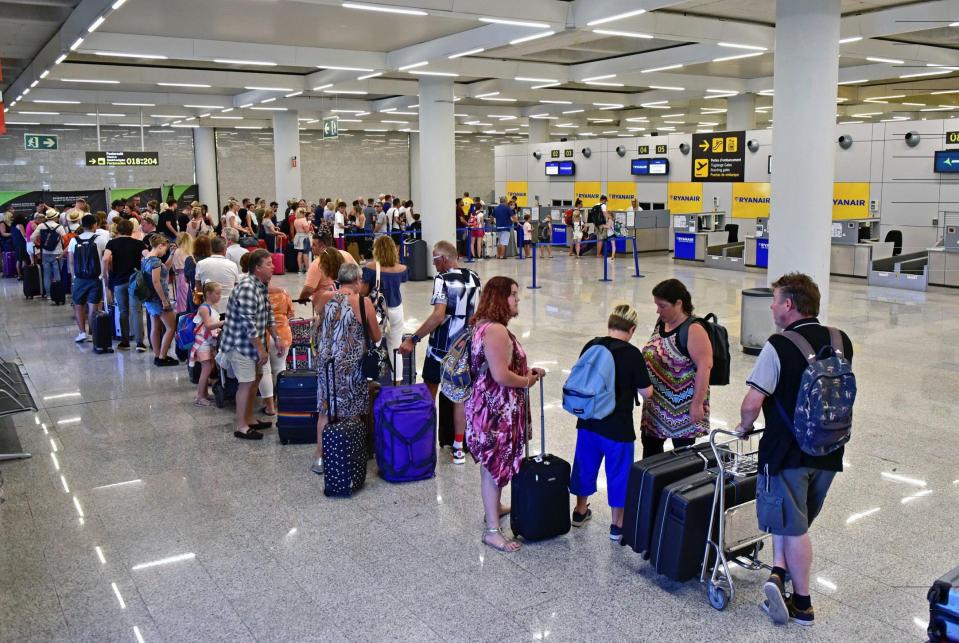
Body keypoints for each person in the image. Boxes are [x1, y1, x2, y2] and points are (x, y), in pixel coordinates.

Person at [735, 273, 853, 628]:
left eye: (775, 299)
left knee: (794, 527)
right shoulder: (840, 339)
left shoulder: (778, 345)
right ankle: (777, 573)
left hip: (787, 452)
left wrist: (743, 427)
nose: (771, 306)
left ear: (789, 305)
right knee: (793, 522)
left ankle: (802, 603)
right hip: (830, 449)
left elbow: (752, 402)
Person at [465, 276, 544, 552]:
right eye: (512, 294)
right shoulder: (496, 331)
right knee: (492, 466)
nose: (517, 299)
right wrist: (527, 381)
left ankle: (494, 507)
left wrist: (525, 373)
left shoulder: (483, 326)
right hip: (494, 414)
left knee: (492, 465)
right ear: (500, 298)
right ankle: (491, 530)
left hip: (490, 408)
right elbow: (500, 375)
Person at [568, 305, 654, 541]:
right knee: (618, 474)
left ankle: (580, 511)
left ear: (610, 324)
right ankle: (617, 525)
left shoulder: (592, 345)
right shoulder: (632, 354)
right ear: (632, 329)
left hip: (588, 422)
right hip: (618, 429)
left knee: (585, 466)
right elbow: (646, 393)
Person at [398, 241, 481, 464]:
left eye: (434, 260)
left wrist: (413, 339)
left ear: (444, 259)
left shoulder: (442, 280)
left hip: (440, 350)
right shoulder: (474, 277)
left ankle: (423, 443)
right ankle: (458, 447)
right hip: (465, 349)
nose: (433, 265)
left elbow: (437, 316)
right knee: (460, 397)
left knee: (429, 393)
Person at [310, 262, 381, 474]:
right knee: (352, 411)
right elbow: (376, 336)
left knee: (325, 409)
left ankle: (320, 458)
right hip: (350, 367)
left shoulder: (322, 297)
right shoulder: (362, 302)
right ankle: (350, 455)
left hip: (325, 363)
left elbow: (319, 324)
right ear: (358, 280)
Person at [217, 249, 285, 440]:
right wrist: (261, 349)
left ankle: (249, 418)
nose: (273, 267)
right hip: (242, 345)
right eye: (269, 264)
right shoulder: (247, 287)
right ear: (257, 268)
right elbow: (248, 323)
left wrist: (276, 338)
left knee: (255, 379)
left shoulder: (261, 284)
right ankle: (241, 425)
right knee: (246, 384)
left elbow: (268, 313)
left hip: (253, 344)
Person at [640, 279, 712, 457]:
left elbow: (705, 366)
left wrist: (697, 404)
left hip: (683, 409)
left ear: (679, 303)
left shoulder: (693, 329)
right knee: (650, 451)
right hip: (656, 406)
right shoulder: (661, 322)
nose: (658, 310)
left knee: (682, 456)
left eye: (662, 306)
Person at [103, 219, 148, 350]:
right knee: (137, 311)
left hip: (118, 280)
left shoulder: (111, 243)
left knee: (123, 311)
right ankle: (140, 342)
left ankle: (125, 341)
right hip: (135, 281)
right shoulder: (139, 243)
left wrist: (105, 274)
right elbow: (148, 256)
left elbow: (106, 258)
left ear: (118, 230)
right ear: (131, 230)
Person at [361, 236, 408, 353]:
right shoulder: (402, 269)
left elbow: (362, 292)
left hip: (376, 310)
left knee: (373, 345)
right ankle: (396, 371)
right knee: (396, 348)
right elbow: (403, 280)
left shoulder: (370, 267)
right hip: (396, 309)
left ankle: (374, 369)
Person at [68, 214, 109, 342]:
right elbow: (105, 259)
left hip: (79, 278)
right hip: (95, 278)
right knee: (93, 306)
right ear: (94, 225)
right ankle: (93, 333)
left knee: (78, 305)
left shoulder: (74, 240)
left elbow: (71, 261)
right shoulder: (101, 240)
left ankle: (82, 332)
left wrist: (74, 276)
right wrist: (104, 275)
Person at [257, 283, 294, 416]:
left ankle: (269, 407)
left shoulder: (254, 293)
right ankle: (281, 401)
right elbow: (291, 313)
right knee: (280, 368)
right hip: (282, 333)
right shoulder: (283, 291)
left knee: (264, 369)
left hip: (262, 334)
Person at [141, 236, 178, 366]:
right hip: (159, 298)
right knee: (171, 327)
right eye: (165, 250)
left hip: (149, 298)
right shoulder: (155, 261)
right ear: (160, 245)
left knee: (155, 327)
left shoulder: (146, 259)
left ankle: (157, 355)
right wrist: (164, 300)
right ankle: (162, 356)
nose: (164, 252)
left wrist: (172, 254)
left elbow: (165, 268)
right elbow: (156, 281)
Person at [190, 282, 224, 407]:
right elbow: (209, 326)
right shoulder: (204, 308)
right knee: (206, 369)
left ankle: (204, 394)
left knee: (208, 368)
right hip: (202, 344)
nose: (219, 296)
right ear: (208, 294)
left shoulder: (210, 308)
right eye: (217, 293)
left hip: (207, 343)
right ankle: (199, 396)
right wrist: (223, 322)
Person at [298, 233, 355, 304]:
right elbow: (358, 276)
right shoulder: (346, 254)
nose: (311, 247)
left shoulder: (317, 264)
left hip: (327, 305)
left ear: (322, 247)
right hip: (349, 301)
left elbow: (308, 290)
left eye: (314, 245)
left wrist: (302, 299)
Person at [195, 236, 240, 315]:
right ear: (225, 249)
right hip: (228, 307)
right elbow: (236, 287)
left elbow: (198, 288)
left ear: (210, 249)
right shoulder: (232, 265)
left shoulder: (200, 264)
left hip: (209, 308)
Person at [30, 209, 66, 303]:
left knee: (46, 274)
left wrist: (38, 244)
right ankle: (57, 294)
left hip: (45, 253)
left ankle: (49, 295)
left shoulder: (41, 226)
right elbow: (65, 239)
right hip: (57, 253)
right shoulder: (59, 227)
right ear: (55, 217)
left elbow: (32, 237)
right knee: (57, 274)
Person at [171, 232, 196, 314]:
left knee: (183, 304)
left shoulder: (177, 251)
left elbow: (175, 268)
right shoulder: (189, 252)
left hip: (182, 277)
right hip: (189, 277)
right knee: (187, 302)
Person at [291, 207, 314, 273]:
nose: (305, 213)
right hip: (304, 237)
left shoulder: (296, 220)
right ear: (302, 213)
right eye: (304, 212)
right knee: (305, 253)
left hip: (298, 237)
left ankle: (300, 269)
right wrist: (309, 225)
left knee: (299, 253)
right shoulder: (303, 220)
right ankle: (307, 269)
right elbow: (307, 231)